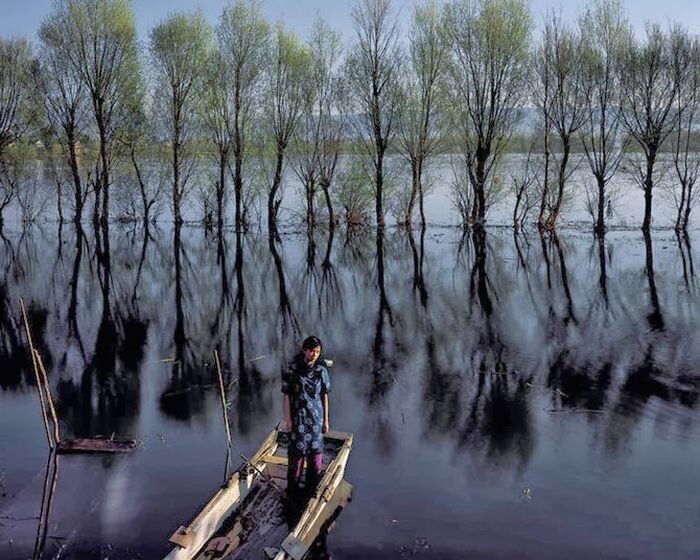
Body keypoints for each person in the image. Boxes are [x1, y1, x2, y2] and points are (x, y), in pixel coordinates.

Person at [281, 336, 331, 502]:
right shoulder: (292, 369)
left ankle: (311, 491)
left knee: (315, 457)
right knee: (297, 456)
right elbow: (287, 396)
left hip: (316, 419)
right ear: (304, 350)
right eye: (311, 351)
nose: (313, 355)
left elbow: (324, 395)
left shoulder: (321, 371)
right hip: (299, 418)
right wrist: (288, 420)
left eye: (317, 352)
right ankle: (293, 493)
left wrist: (326, 420)